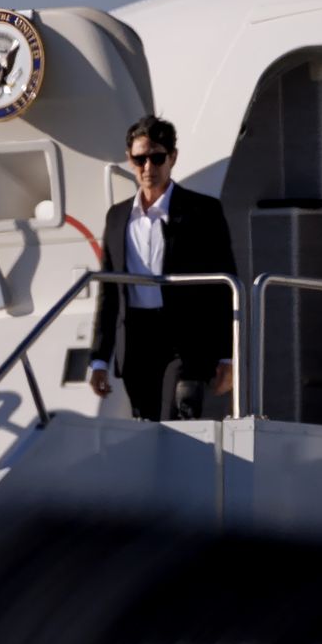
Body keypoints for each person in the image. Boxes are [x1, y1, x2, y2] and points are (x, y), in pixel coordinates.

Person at [88, 115, 238, 420]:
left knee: (180, 413)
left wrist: (227, 356)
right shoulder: (117, 217)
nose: (148, 167)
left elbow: (224, 287)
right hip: (136, 338)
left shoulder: (202, 211)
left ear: (172, 157)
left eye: (157, 158)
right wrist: (99, 360)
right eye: (139, 159)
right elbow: (109, 292)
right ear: (129, 159)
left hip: (186, 340)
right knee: (146, 423)